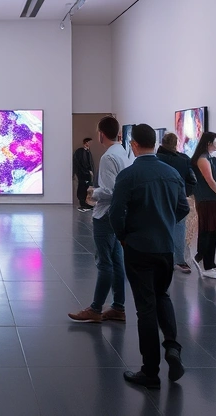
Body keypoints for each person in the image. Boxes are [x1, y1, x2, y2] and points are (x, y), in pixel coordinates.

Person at [110, 124, 189, 389]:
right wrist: (166, 224)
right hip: (164, 248)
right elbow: (182, 208)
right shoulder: (171, 173)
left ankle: (150, 372)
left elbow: (115, 212)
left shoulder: (129, 175)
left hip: (138, 247)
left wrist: (123, 236)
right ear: (155, 143)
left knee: (145, 308)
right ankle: (173, 347)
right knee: (162, 295)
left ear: (132, 144)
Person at [68, 116, 131, 323]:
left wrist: (93, 192)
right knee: (117, 261)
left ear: (101, 134)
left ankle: (95, 309)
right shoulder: (122, 153)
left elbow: (111, 191)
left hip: (105, 215)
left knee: (104, 263)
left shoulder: (107, 158)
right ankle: (118, 307)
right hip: (118, 214)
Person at [190, 132, 216, 279]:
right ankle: (206, 266)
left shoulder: (211, 159)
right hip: (207, 201)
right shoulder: (202, 160)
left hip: (212, 201)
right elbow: (209, 180)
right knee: (209, 232)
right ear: (208, 143)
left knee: (214, 232)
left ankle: (211, 264)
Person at [156, 132, 197, 274]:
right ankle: (179, 261)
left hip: (158, 200)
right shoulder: (184, 160)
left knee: (159, 229)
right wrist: (184, 192)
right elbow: (192, 180)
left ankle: (160, 258)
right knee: (179, 229)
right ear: (175, 144)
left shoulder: (156, 159)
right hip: (178, 200)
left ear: (162, 143)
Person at [73, 138, 95, 211]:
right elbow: (79, 164)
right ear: (86, 142)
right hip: (82, 174)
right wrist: (86, 171)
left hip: (87, 174)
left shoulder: (88, 152)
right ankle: (83, 203)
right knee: (82, 187)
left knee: (86, 188)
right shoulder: (80, 152)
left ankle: (86, 203)